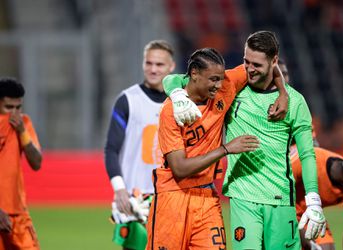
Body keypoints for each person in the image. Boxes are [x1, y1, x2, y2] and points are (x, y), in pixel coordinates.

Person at [163, 31, 327, 249]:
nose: (250, 69)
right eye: (246, 61)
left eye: (257, 65)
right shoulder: (230, 87)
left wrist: (313, 199)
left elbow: (307, 154)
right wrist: (176, 94)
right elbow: (175, 78)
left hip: (280, 198)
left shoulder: (295, 103)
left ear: (274, 61)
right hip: (243, 197)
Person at [146, 47, 262, 249]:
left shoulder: (225, 87)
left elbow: (260, 64)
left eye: (220, 78)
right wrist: (225, 149)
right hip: (173, 198)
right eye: (213, 79)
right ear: (194, 74)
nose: (218, 85)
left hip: (207, 197)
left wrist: (283, 92)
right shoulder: (170, 111)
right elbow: (179, 168)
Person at [104, 40, 176, 249]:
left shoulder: (179, 102)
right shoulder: (127, 100)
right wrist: (119, 190)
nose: (153, 69)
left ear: (171, 67)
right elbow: (111, 149)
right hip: (136, 200)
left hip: (170, 197)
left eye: (159, 64)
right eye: (148, 63)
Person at [291, 147, 343, 250]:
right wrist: (304, 239)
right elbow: (278, 193)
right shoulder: (310, 161)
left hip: (311, 215)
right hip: (283, 210)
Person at [0, 78, 42, 250]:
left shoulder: (23, 123)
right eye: (9, 107)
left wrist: (22, 133)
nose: (14, 113)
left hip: (18, 215)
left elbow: (37, 162)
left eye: (18, 107)